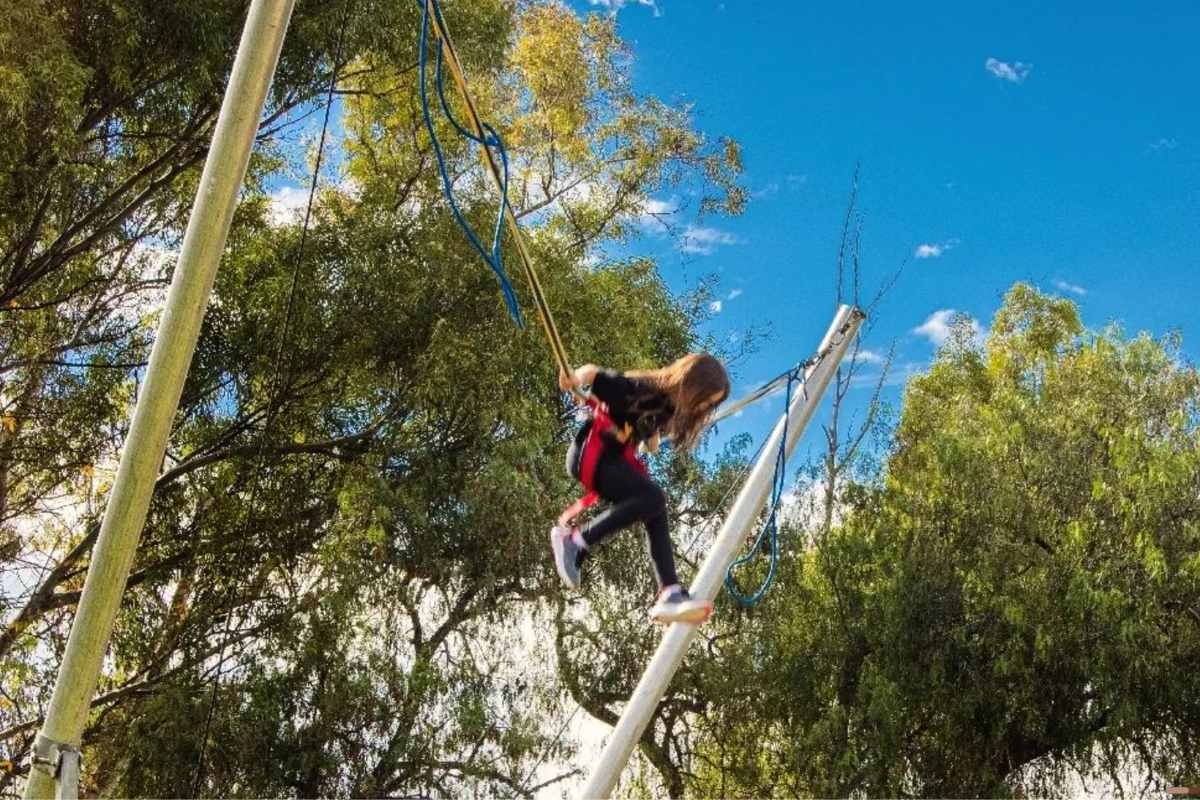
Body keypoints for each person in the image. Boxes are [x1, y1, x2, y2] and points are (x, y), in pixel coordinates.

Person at [551, 353, 730, 624]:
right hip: (591, 455)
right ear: (692, 383)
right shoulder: (643, 388)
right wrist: (575, 378)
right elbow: (595, 374)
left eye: (710, 405)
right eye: (705, 399)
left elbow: (650, 438)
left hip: (611, 462)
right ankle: (574, 542)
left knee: (655, 506)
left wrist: (650, 437)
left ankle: (669, 592)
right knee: (653, 497)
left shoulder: (665, 409)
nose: (703, 407)